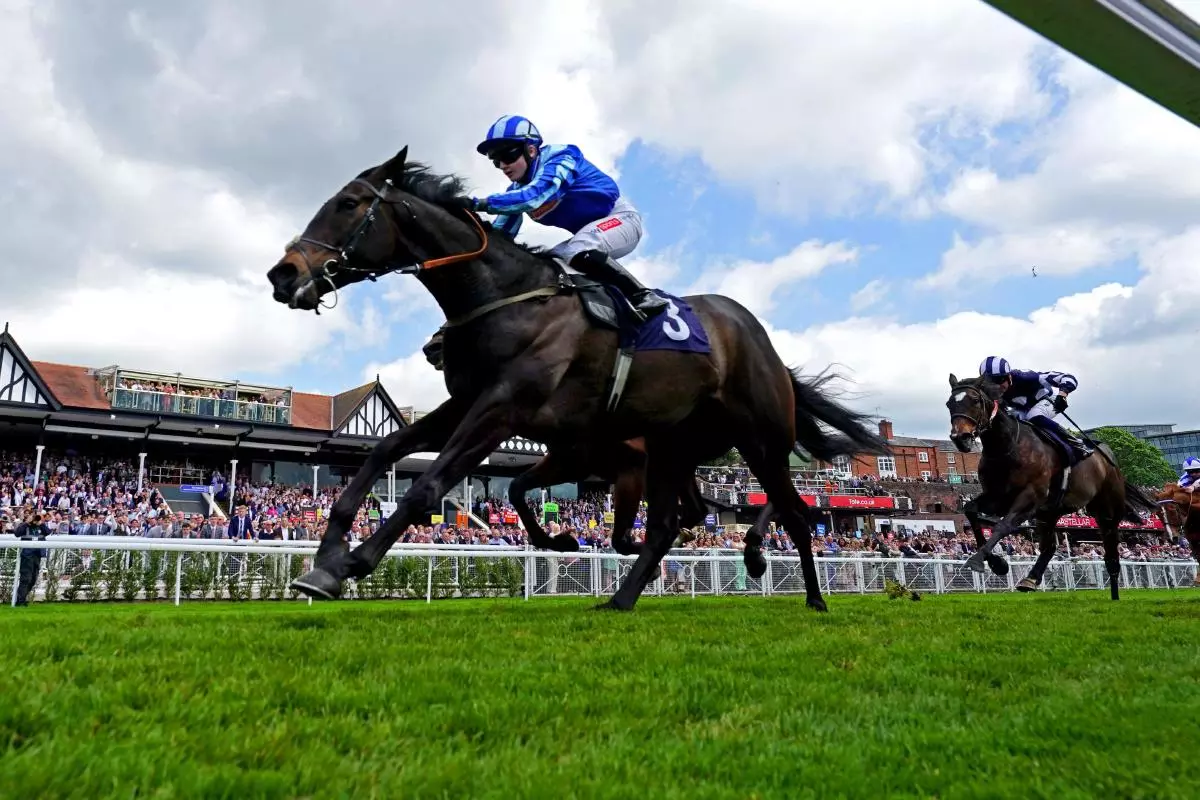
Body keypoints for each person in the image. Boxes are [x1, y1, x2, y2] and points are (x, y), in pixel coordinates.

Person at [464, 115, 668, 319]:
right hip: (588, 233)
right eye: (496, 161)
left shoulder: (561, 157)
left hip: (621, 218)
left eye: (507, 156)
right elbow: (500, 236)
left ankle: (642, 295)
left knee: (578, 249)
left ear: (532, 150)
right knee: (546, 266)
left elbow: (535, 196)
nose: (503, 166)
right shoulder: (516, 191)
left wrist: (477, 204)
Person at [978, 355, 1093, 464]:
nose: (996, 387)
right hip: (1023, 409)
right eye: (990, 383)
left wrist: (1063, 394)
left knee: (1034, 415)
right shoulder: (991, 392)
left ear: (1009, 376)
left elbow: (1068, 377)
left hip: (1047, 400)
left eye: (999, 380)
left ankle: (1077, 444)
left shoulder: (1026, 377)